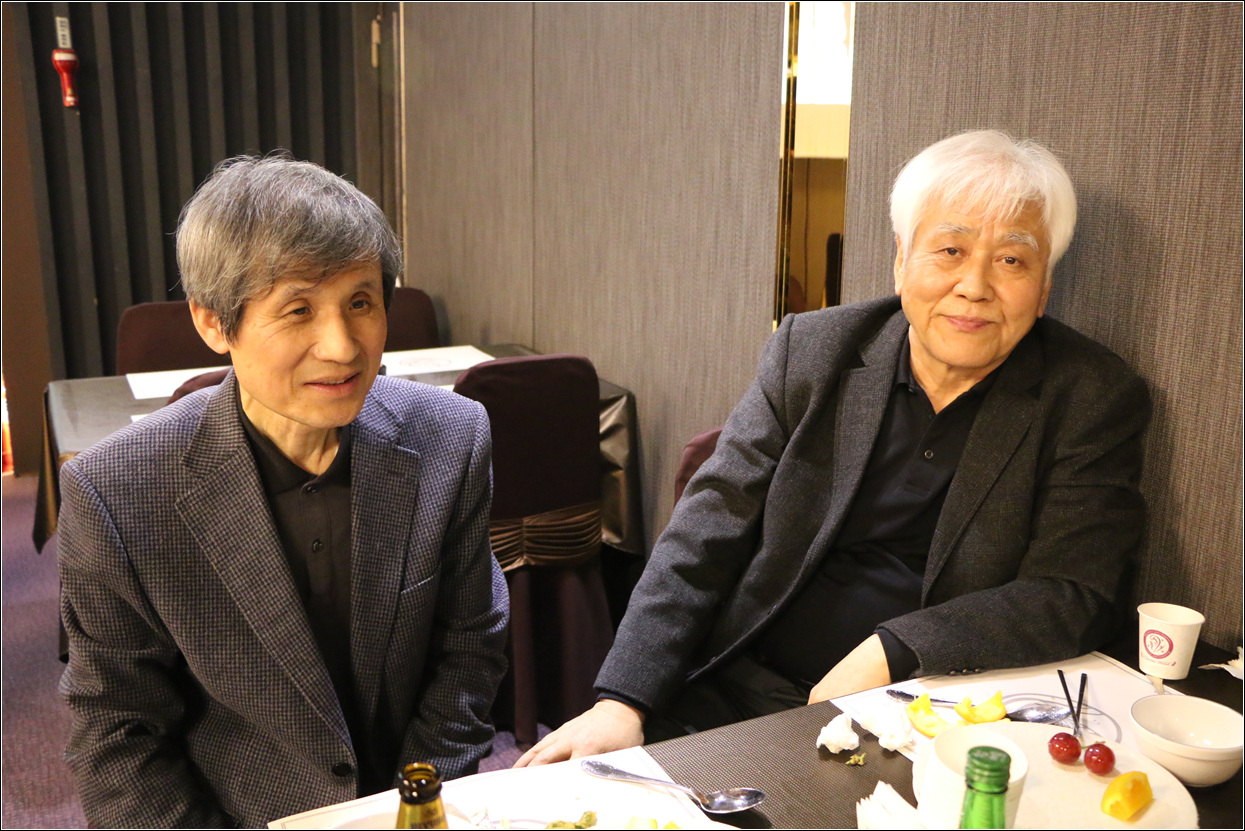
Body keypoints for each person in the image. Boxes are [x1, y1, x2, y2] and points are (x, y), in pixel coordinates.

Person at [517, 129, 1150, 766]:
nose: (975, 285)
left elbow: (1073, 590)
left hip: (921, 717)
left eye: (1012, 261)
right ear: (902, 259)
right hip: (739, 682)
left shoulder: (1089, 395)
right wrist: (622, 701)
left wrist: (894, 650)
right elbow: (706, 529)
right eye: (950, 250)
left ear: (1044, 286)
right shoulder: (814, 351)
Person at [57, 155, 509, 827]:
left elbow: (468, 648)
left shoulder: (451, 435)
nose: (342, 346)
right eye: (298, 310)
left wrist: (412, 806)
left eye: (361, 303)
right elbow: (118, 729)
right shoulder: (116, 492)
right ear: (214, 323)